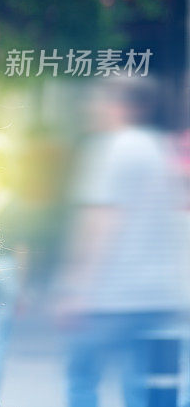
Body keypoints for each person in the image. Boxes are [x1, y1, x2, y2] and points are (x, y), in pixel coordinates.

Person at [58, 77, 190, 407]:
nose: (93, 106)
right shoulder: (163, 150)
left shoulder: (110, 147)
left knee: (82, 378)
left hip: (111, 298)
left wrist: (76, 289)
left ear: (123, 106)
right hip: (158, 296)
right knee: (144, 389)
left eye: (101, 99)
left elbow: (100, 221)